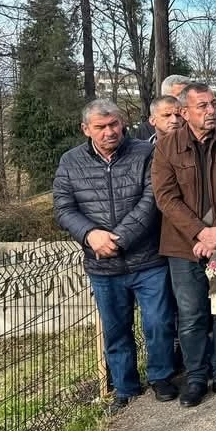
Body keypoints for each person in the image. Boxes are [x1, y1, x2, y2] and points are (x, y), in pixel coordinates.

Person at [53, 99, 176, 413]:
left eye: (114, 124)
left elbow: (152, 198)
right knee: (116, 330)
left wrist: (118, 239)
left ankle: (161, 376)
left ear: (122, 123)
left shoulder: (145, 153)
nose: (109, 132)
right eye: (101, 127)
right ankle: (125, 388)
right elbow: (64, 208)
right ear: (86, 129)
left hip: (147, 258)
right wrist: (90, 234)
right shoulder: (70, 161)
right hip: (102, 264)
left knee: (159, 322)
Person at [152, 83, 216, 408]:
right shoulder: (166, 147)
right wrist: (200, 233)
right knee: (191, 314)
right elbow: (166, 197)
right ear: (184, 112)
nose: (211, 111)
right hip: (184, 246)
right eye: (203, 106)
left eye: (214, 104)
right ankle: (196, 376)